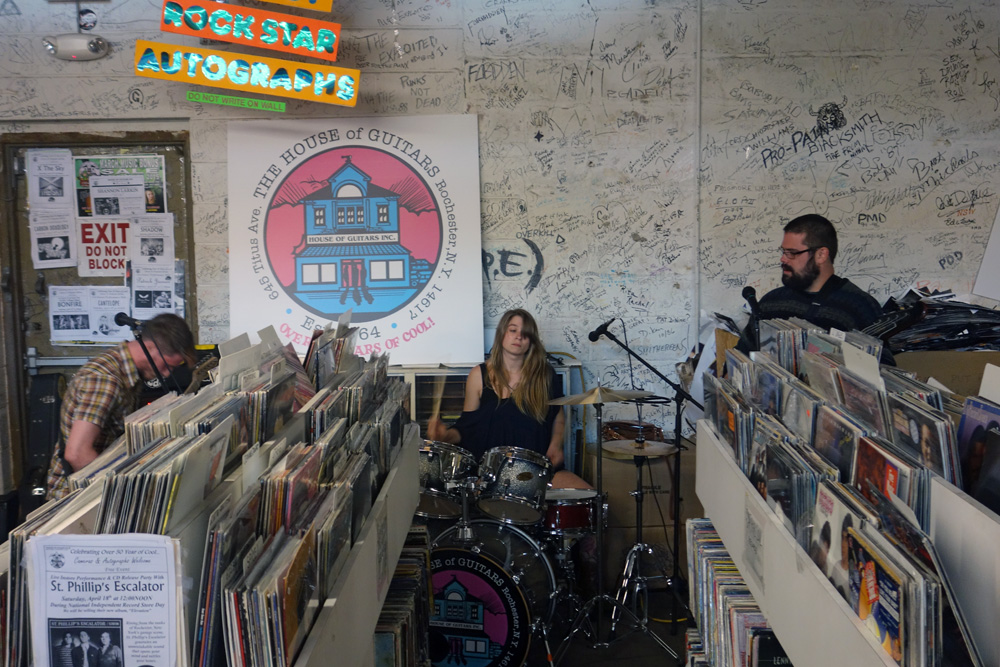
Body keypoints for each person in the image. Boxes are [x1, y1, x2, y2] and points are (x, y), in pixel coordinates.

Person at [427, 309, 589, 489]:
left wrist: (556, 445)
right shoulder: (479, 375)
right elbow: (467, 427)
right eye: (513, 330)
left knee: (589, 498)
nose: (519, 337)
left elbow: (558, 415)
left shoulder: (545, 375)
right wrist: (445, 436)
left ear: (531, 342)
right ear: (502, 333)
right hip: (491, 476)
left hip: (538, 472)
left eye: (525, 334)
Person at [45, 313, 196, 499]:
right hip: (76, 495)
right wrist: (125, 495)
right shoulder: (105, 380)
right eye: (166, 366)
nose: (165, 375)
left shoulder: (127, 370)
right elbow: (77, 454)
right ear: (149, 348)